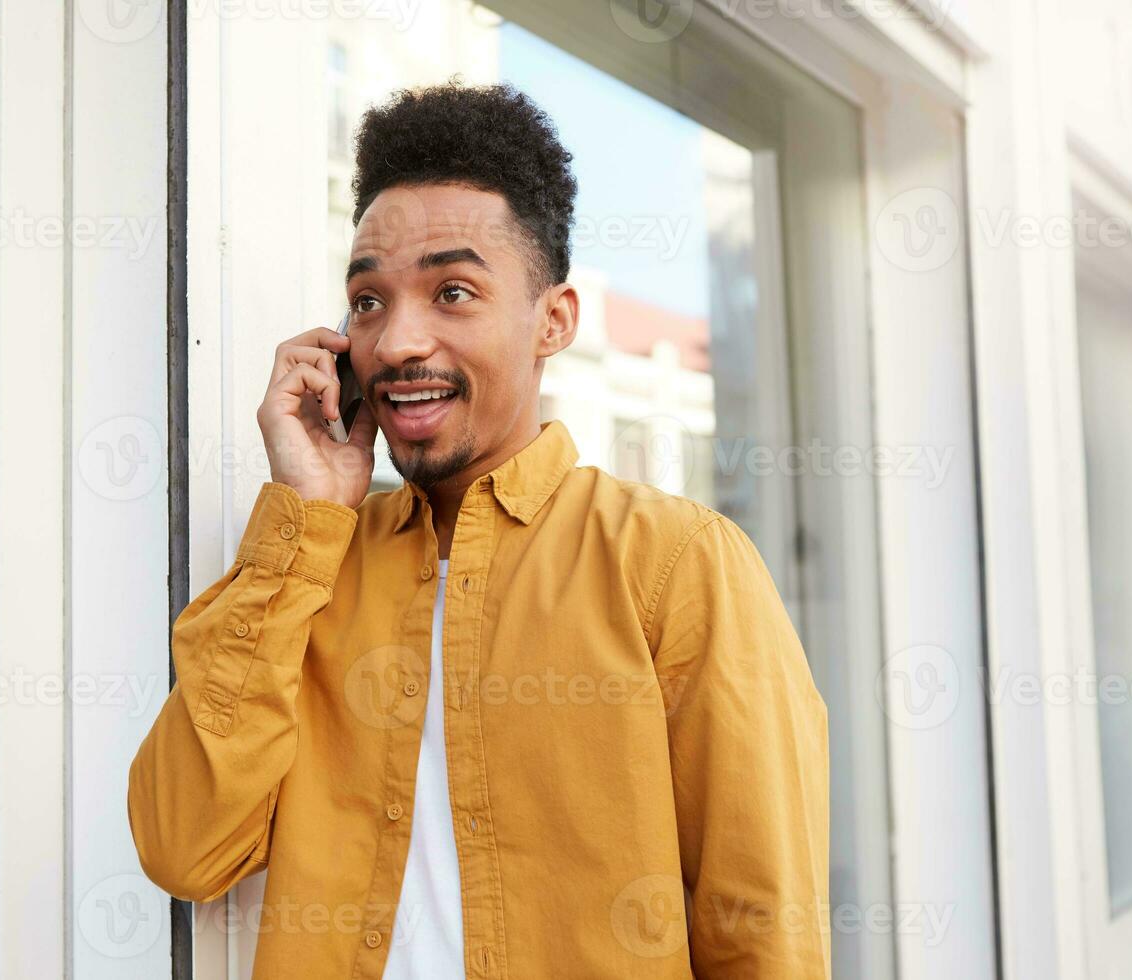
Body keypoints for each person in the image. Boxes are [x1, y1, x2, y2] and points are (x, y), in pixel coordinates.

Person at [128, 80, 830, 978]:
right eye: (370, 302)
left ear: (554, 321)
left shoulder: (675, 565)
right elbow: (185, 847)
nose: (396, 344)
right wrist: (303, 516)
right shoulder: (309, 571)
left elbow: (763, 930)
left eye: (452, 291)